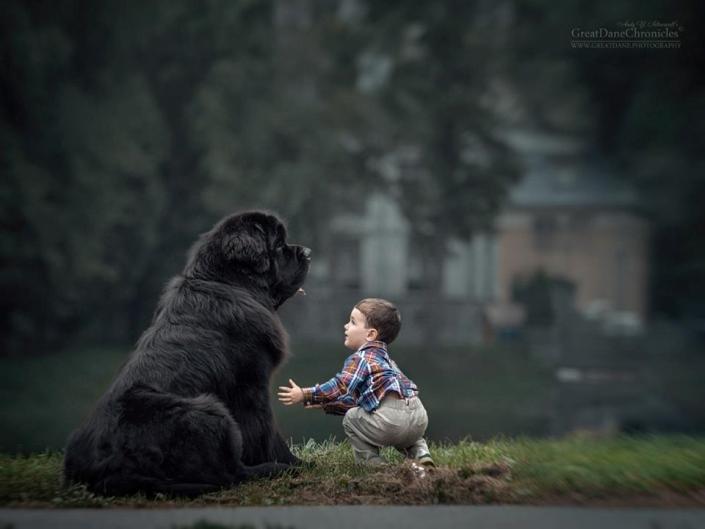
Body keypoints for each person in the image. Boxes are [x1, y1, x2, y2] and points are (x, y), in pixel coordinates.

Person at [278, 298, 434, 467]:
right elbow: (362, 404)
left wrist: (306, 394)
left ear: (370, 334)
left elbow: (340, 386)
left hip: (392, 422)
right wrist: (326, 404)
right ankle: (421, 454)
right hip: (418, 418)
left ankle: (373, 463)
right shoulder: (388, 362)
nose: (346, 326)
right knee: (407, 433)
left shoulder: (361, 358)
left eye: (352, 322)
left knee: (351, 419)